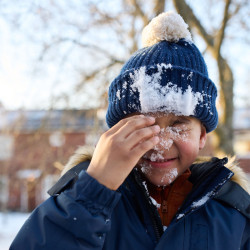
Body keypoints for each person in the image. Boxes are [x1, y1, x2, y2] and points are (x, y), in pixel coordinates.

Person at [10, 12, 250, 250]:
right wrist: (93, 192)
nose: (160, 143)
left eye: (178, 124)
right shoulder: (80, 196)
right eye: (144, 123)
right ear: (116, 132)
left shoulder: (234, 211)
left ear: (202, 136)